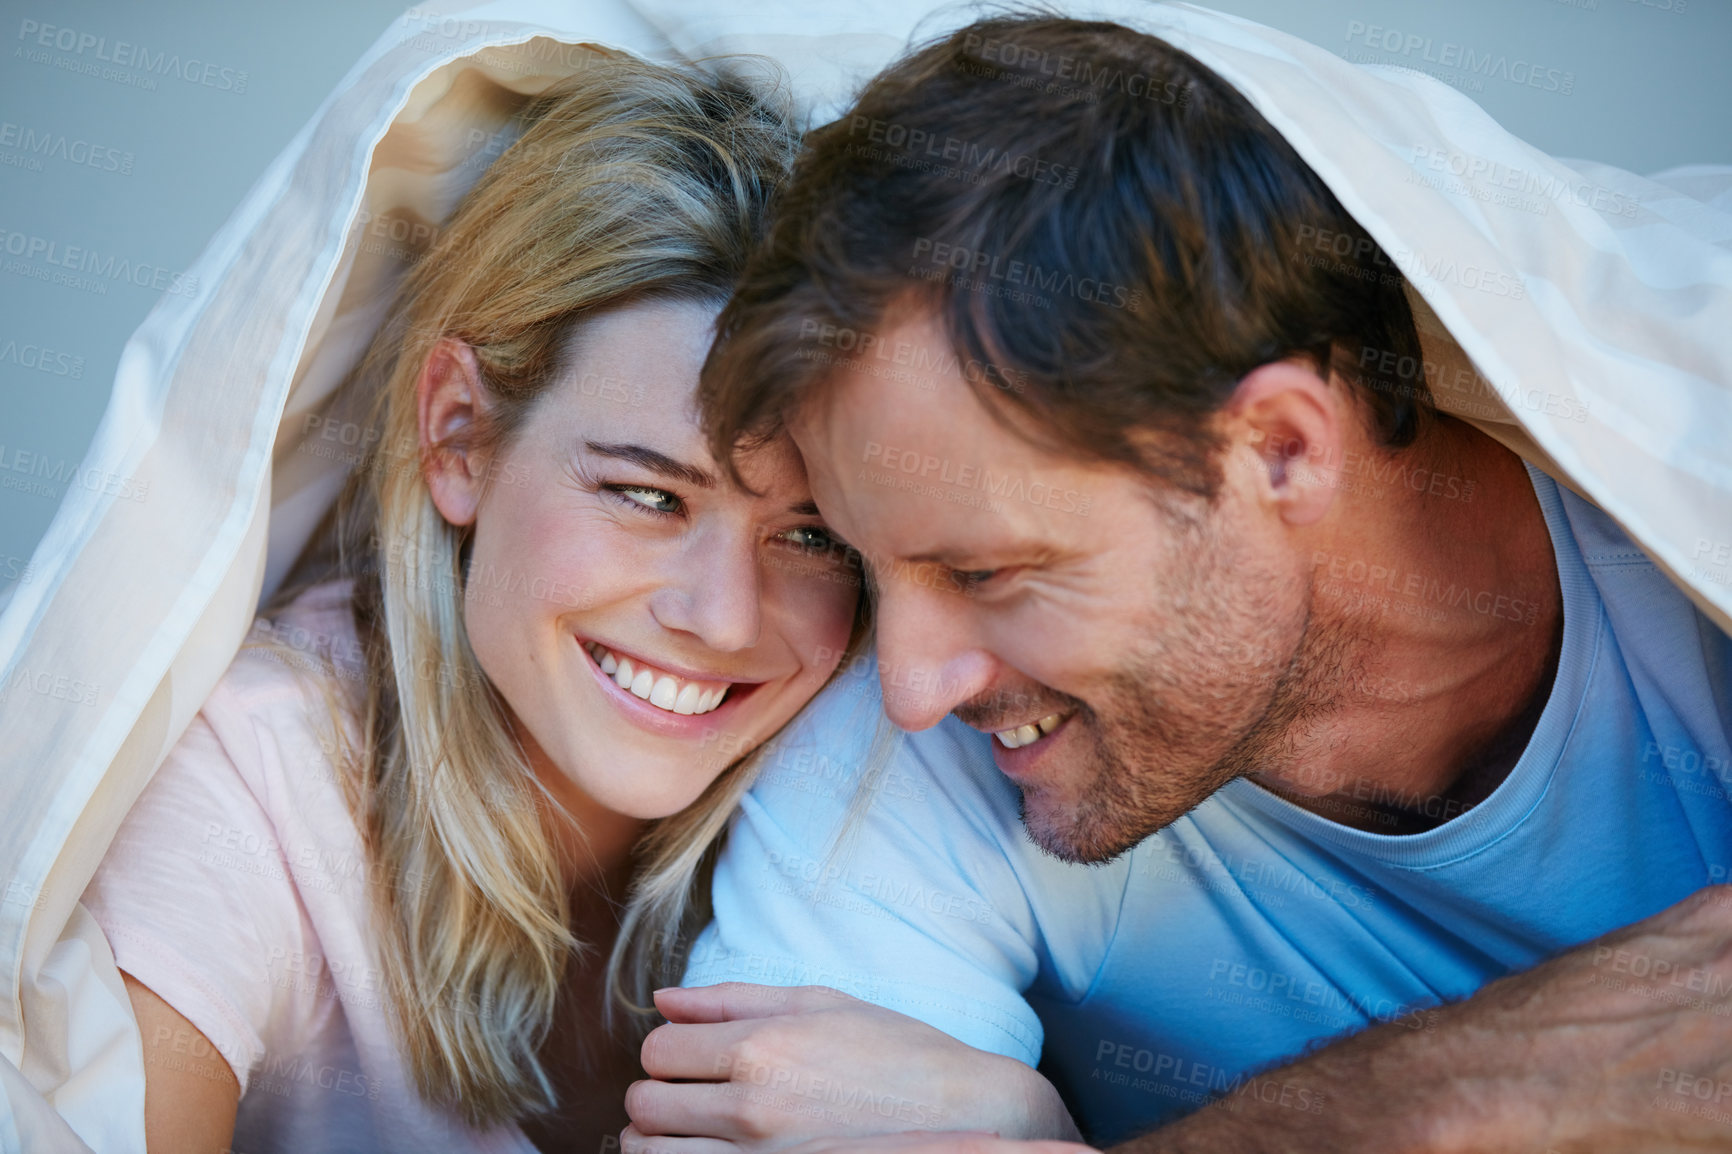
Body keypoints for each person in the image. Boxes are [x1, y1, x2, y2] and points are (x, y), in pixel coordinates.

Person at [621, 14, 1732, 1154]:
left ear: (1278, 449)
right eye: (864, 560)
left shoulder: (1690, 552)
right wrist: (1436, 1101)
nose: (909, 685)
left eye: (983, 569)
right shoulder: (902, 763)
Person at [78, 54, 865, 1154]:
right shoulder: (251, 779)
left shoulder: (869, 772)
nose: (725, 617)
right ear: (458, 436)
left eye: (812, 534)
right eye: (646, 493)